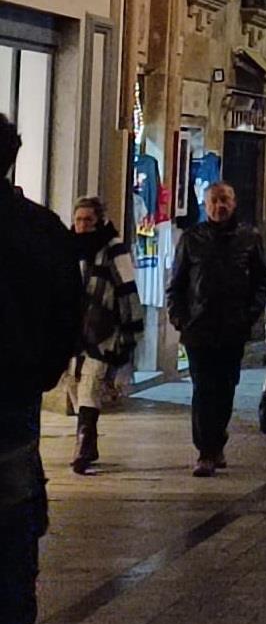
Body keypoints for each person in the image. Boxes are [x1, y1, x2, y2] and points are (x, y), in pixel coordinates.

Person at [0, 114, 84, 624]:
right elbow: (68, 315)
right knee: (11, 522)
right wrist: (42, 373)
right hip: (14, 397)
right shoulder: (41, 228)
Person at [167, 182, 266, 476]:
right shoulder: (192, 238)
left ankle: (217, 441)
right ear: (205, 204)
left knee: (225, 388)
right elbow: (177, 283)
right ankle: (205, 451)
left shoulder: (248, 238)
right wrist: (180, 318)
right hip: (198, 327)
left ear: (233, 203)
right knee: (203, 388)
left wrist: (250, 314)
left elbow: (261, 281)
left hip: (232, 327)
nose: (218, 206)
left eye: (224, 200)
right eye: (213, 201)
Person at [65, 196, 143, 474]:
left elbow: (127, 289)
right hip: (72, 331)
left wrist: (131, 331)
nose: (83, 225)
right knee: (76, 387)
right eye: (78, 220)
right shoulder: (67, 248)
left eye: (88, 220)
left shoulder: (113, 249)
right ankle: (88, 439)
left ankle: (83, 447)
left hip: (103, 330)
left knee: (90, 384)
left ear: (98, 221)